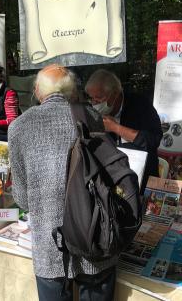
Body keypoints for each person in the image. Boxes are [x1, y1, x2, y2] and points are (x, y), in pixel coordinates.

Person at [8, 64, 117, 301]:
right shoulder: (92, 117)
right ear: (71, 91)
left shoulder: (18, 127)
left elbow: (22, 199)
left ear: (37, 90)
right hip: (94, 235)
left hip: (50, 242)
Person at [85, 69, 162, 193]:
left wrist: (115, 128)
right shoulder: (93, 113)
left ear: (115, 94)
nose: (94, 103)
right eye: (91, 98)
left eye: (99, 98)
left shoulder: (140, 105)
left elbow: (153, 140)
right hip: (113, 182)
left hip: (143, 183)